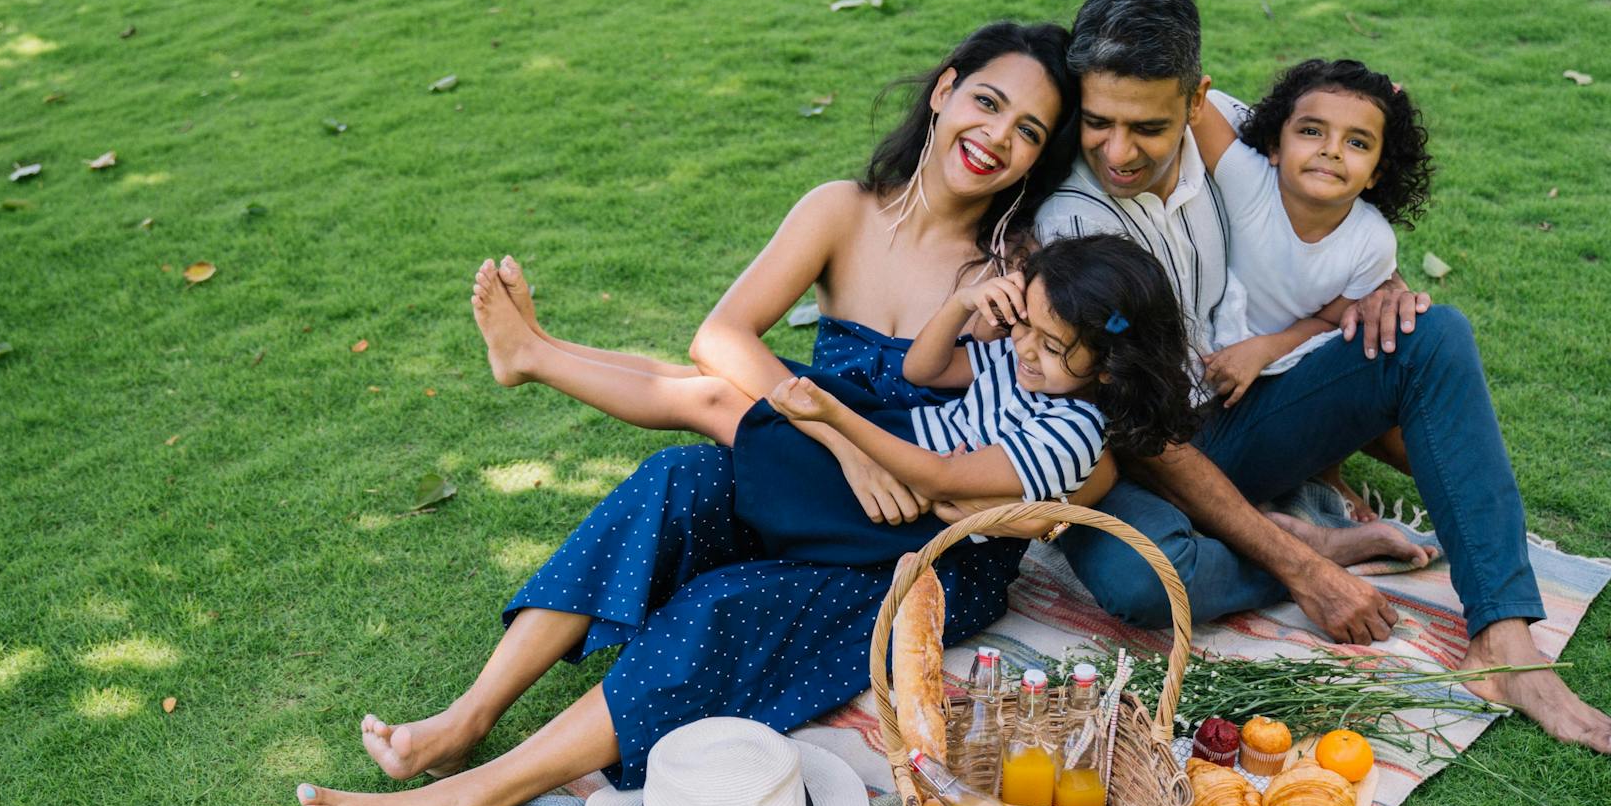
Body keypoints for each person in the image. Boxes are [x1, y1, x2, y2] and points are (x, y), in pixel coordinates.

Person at [295, 21, 1106, 806]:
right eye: (987, 102)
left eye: (1028, 132)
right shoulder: (843, 211)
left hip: (920, 543)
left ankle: (461, 805)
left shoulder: (1017, 273)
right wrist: (847, 449)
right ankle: (467, 718)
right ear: (944, 90)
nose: (996, 138)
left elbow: (1088, 435)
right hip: (822, 466)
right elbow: (721, 338)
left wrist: (1024, 511)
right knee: (677, 476)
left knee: (723, 609)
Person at [1032, 0, 1611, 759]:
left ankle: (1507, 643)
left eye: (1147, 127)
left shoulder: (1240, 136)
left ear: (1196, 101)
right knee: (1137, 583)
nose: (1118, 153)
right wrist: (1299, 567)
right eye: (1098, 123)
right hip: (1138, 454)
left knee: (1430, 332)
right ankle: (1313, 540)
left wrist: (1374, 290)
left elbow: (1325, 189)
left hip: (1236, 411)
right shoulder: (1071, 224)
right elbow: (1142, 437)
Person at [471, 233, 1197, 565]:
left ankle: (532, 357)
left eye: (1051, 342)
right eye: (1026, 326)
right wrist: (969, 302)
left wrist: (834, 420)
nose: (1025, 349)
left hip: (894, 513)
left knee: (717, 404)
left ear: (1109, 366)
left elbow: (939, 482)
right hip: (900, 433)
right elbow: (923, 366)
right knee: (715, 383)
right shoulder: (1026, 364)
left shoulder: (1071, 431)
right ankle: (542, 347)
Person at [1190, 58, 1430, 520]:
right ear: (1275, 145)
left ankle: (1327, 469)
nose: (1332, 150)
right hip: (1209, 360)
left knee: (1401, 417)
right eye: (1312, 131)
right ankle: (1313, 474)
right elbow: (1199, 103)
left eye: (1357, 142)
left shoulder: (1372, 241)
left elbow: (1328, 321)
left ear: (1378, 171)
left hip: (1292, 359)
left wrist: (1263, 350)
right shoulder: (1248, 179)